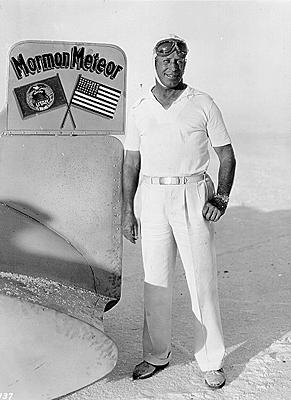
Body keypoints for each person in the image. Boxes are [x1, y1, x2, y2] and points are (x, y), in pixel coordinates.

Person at [122, 34, 236, 389]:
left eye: (179, 61)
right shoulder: (140, 107)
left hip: (193, 194)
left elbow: (227, 155)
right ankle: (157, 354)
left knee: (201, 281)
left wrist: (221, 198)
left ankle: (211, 360)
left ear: (185, 63)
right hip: (153, 197)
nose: (173, 67)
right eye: (166, 61)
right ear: (154, 64)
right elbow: (131, 163)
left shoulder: (202, 103)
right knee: (155, 280)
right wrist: (128, 210)